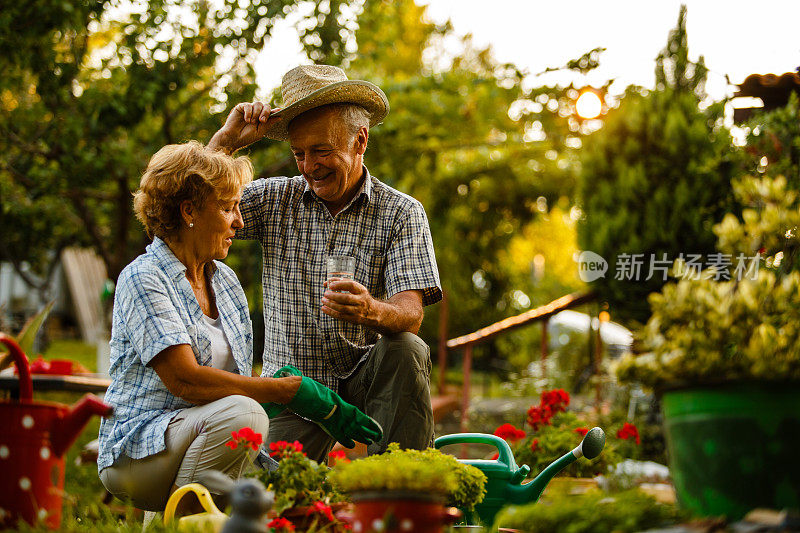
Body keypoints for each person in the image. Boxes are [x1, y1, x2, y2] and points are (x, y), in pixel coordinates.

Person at [97, 141, 379, 511]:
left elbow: (231, 381)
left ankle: (177, 519)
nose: (240, 221)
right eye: (228, 208)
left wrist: (280, 389)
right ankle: (189, 522)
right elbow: (185, 380)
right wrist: (284, 390)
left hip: (192, 437)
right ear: (189, 211)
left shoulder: (225, 282)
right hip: (137, 450)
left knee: (302, 496)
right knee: (244, 417)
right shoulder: (144, 278)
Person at [208, 64, 443, 463]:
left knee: (406, 349)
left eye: (321, 151)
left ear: (360, 140)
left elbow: (410, 314)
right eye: (299, 153)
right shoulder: (273, 200)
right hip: (295, 390)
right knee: (268, 499)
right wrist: (226, 143)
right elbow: (196, 202)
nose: (309, 166)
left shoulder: (401, 212)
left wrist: (371, 310)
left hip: (367, 378)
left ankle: (403, 488)